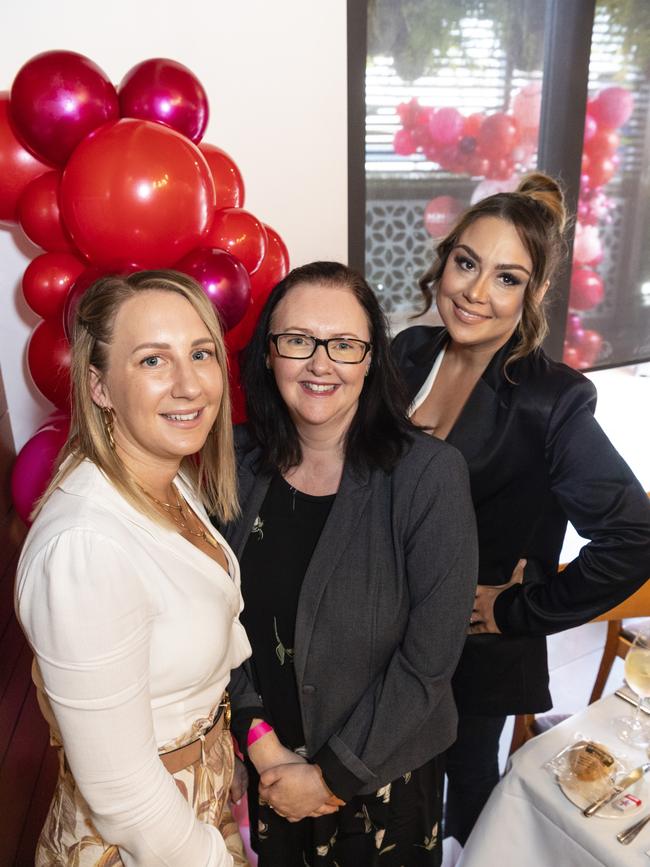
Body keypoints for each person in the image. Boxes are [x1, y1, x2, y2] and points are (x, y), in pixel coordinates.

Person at [391, 172, 650, 845]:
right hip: (388, 636)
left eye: (507, 277)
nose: (476, 291)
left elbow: (634, 537)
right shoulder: (407, 353)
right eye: (467, 262)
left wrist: (513, 608)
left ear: (531, 295)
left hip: (473, 657)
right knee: (398, 796)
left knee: (472, 788)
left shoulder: (549, 400)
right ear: (444, 260)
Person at [217, 261, 478, 866]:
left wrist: (329, 777)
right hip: (274, 771)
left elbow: (429, 662)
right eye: (298, 341)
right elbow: (213, 619)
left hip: (383, 784)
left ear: (371, 359)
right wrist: (262, 747)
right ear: (269, 355)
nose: (320, 362)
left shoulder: (428, 476)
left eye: (345, 344)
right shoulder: (233, 460)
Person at [15, 271, 251, 866]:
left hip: (190, 809)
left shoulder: (170, 478)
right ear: (99, 387)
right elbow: (123, 793)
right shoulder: (86, 546)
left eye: (202, 354)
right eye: (153, 361)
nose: (189, 384)